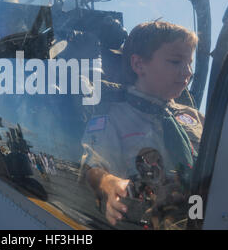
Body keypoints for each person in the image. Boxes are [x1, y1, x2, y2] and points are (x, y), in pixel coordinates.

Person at [81, 21, 204, 229]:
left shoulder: (195, 117)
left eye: (189, 63)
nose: (188, 72)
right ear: (139, 65)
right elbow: (92, 165)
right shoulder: (113, 119)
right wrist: (108, 183)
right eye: (176, 62)